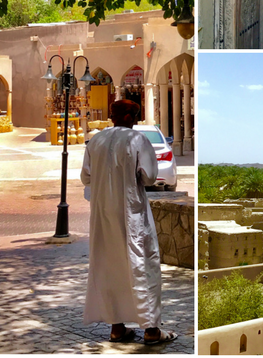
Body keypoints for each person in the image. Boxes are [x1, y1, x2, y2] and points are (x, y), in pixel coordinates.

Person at [81, 99, 178, 345]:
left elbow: (86, 177)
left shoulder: (95, 141)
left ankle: (117, 328)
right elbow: (148, 177)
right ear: (127, 117)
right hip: (132, 214)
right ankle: (152, 331)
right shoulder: (137, 140)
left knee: (109, 266)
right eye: (135, 115)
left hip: (103, 215)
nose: (136, 119)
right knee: (143, 266)